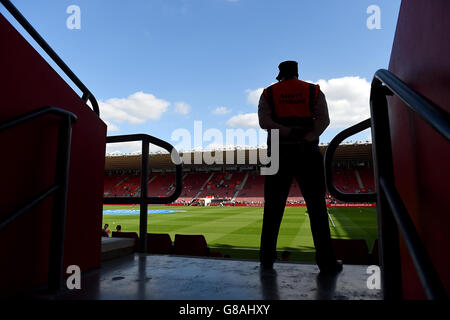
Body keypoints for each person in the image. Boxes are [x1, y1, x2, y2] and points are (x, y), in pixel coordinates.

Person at [258, 60, 342, 274]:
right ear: (296, 73)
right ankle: (326, 262)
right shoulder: (313, 91)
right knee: (317, 208)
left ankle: (266, 259)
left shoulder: (268, 93)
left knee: (272, 209)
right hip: (308, 152)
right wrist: (308, 137)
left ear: (280, 75)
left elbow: (264, 122)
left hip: (277, 153)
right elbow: (324, 119)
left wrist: (286, 132)